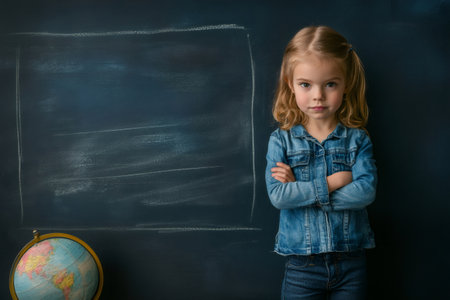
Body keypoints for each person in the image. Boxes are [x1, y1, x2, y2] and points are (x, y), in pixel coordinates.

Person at [265, 25, 377, 300]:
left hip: (351, 261)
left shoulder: (357, 139)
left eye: (330, 84)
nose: (318, 95)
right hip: (302, 266)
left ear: (345, 83)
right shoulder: (281, 141)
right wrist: (333, 182)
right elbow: (279, 196)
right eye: (306, 84)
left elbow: (365, 192)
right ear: (290, 84)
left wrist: (301, 191)